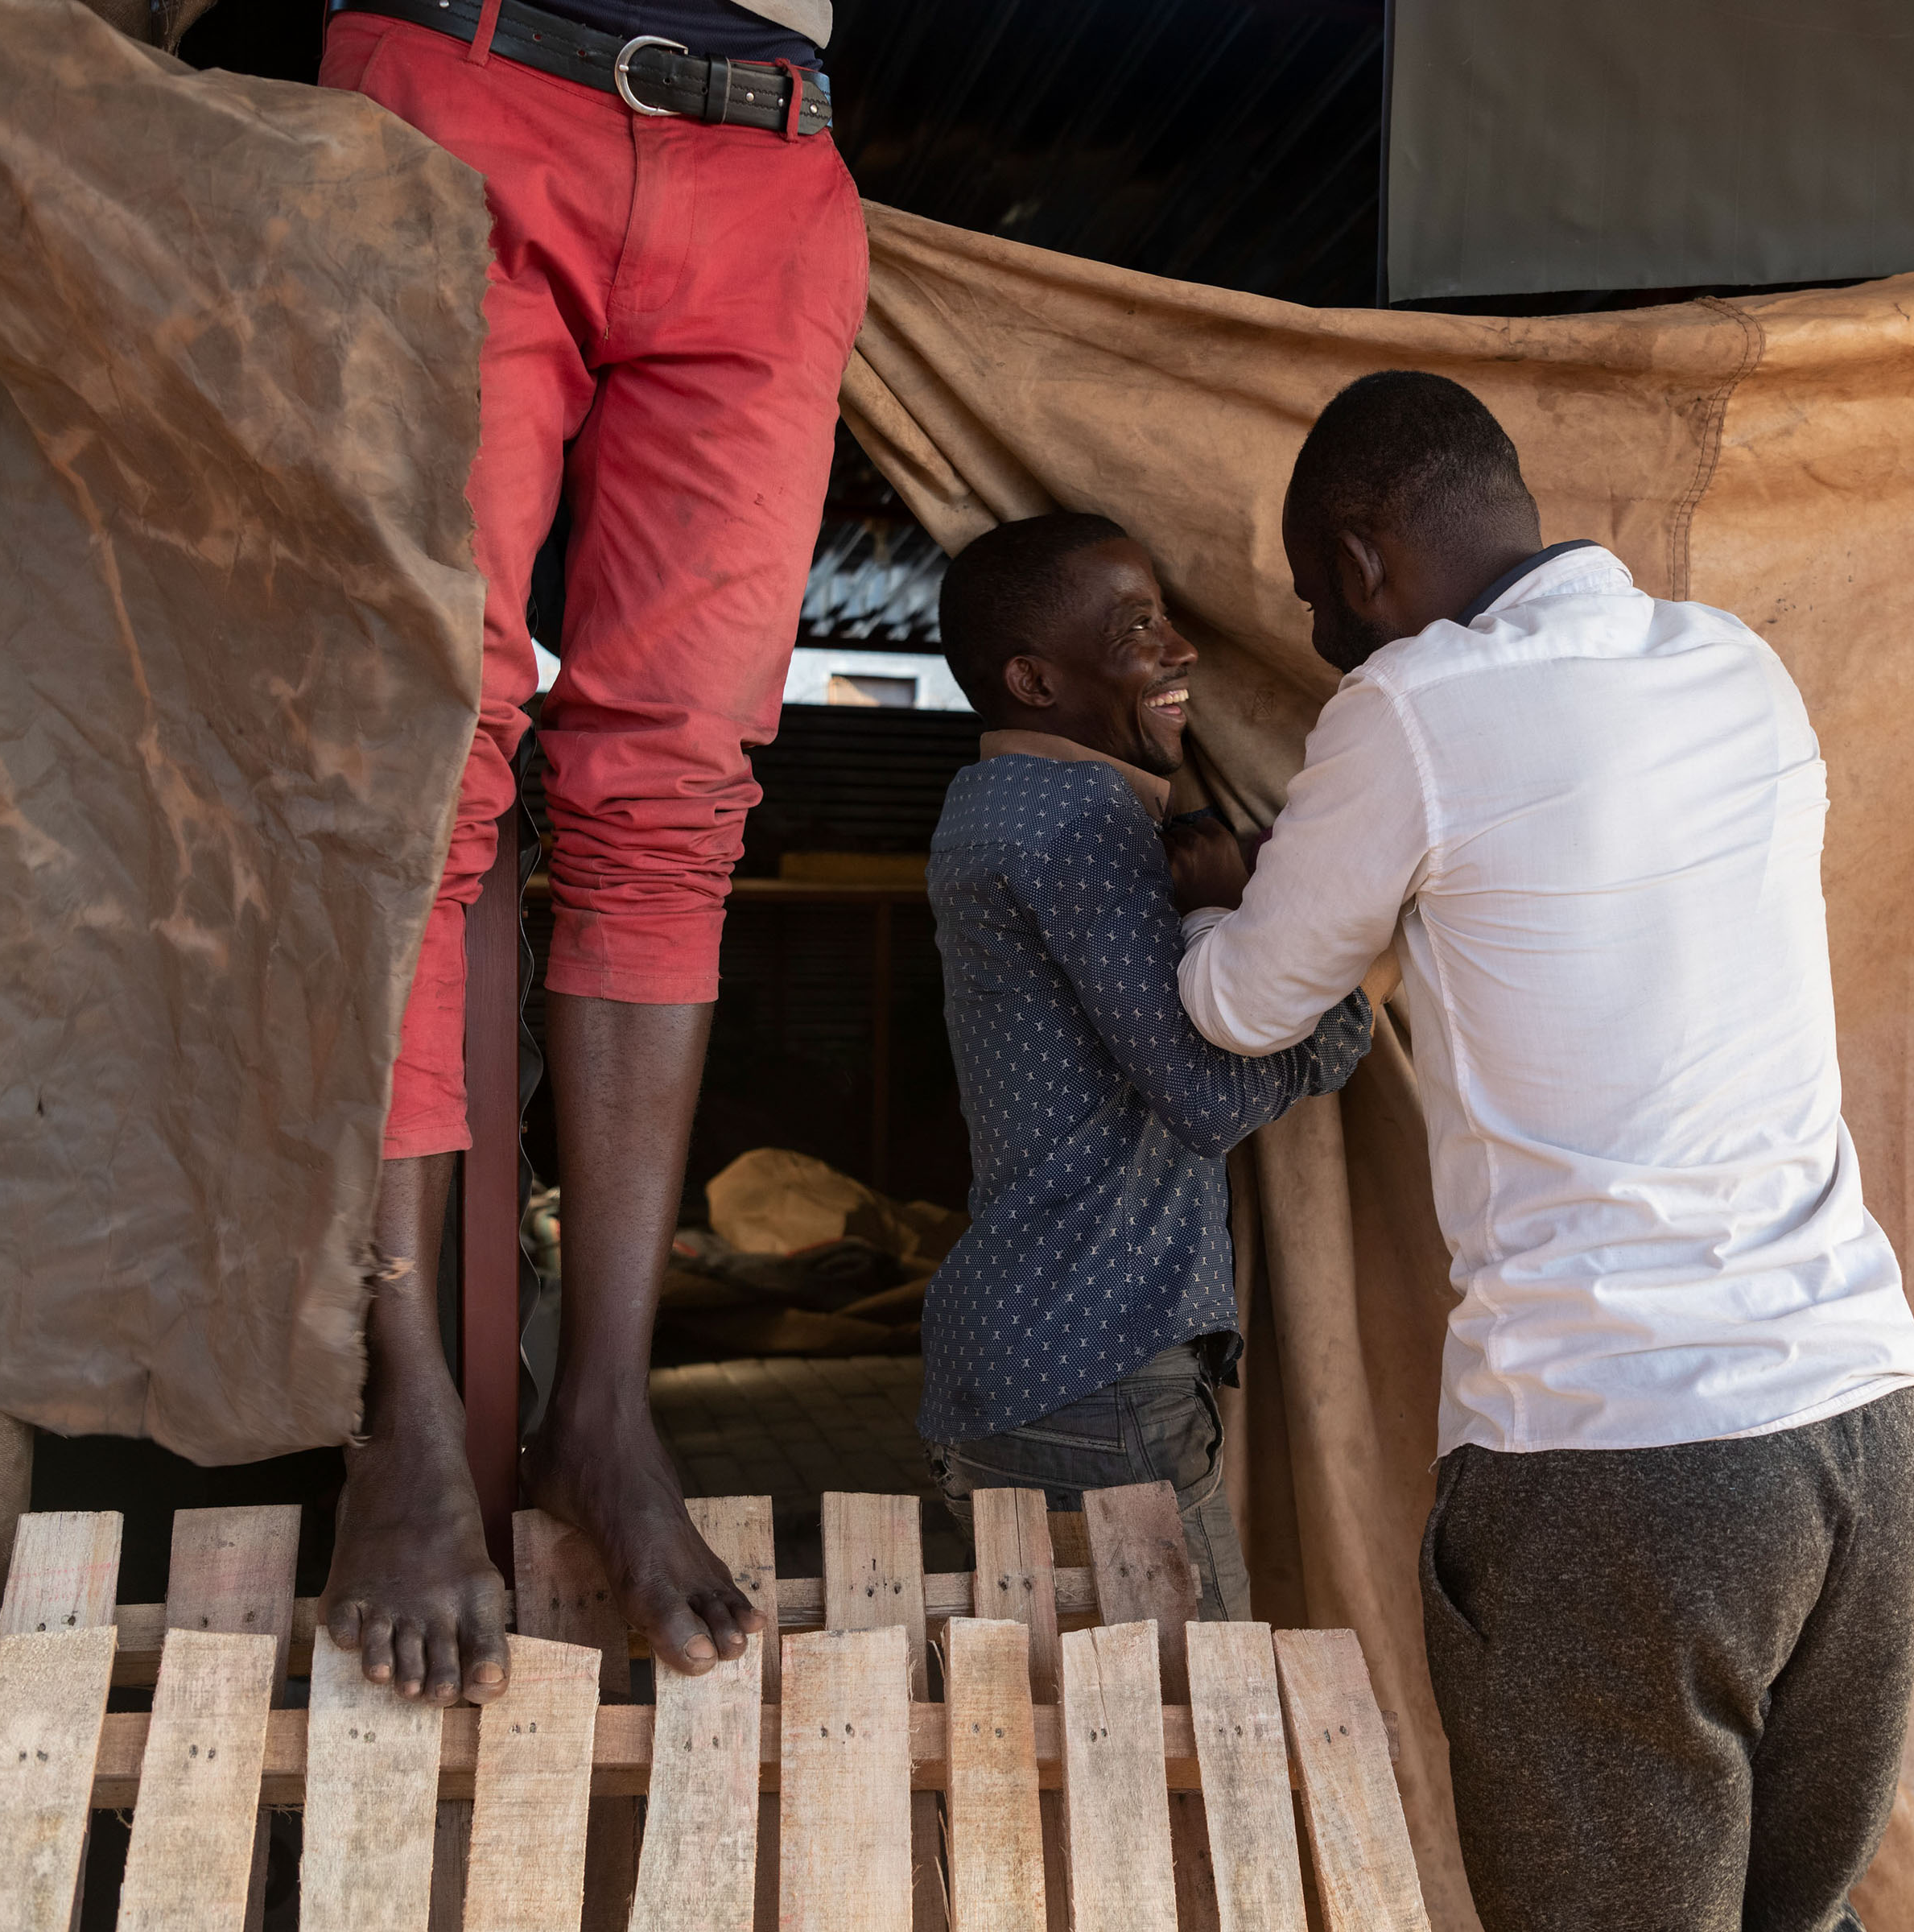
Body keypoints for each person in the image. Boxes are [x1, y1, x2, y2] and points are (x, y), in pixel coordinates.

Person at [1170, 372, 1914, 1930]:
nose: (1328, 644)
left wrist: (1200, 904)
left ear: (1370, 556)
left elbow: (1250, 1003)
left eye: (1325, 603)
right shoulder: (1742, 670)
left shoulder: (1411, 707)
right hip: (1868, 1436)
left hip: (1620, 1466)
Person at [311, 0, 867, 1705]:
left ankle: (605, 1412)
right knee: (417, 756)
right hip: (461, 78)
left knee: (679, 795)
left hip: (772, 147)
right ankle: (398, 1403)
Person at [918, 512, 1376, 1614]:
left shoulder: (993, 805)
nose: (1183, 651)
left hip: (1031, 1362)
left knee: (1047, 1750)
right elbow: (1207, 1093)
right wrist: (1336, 989)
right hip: (1096, 1369)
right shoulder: (1078, 819)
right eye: (1139, 628)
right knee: (1189, 1751)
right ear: (1033, 679)